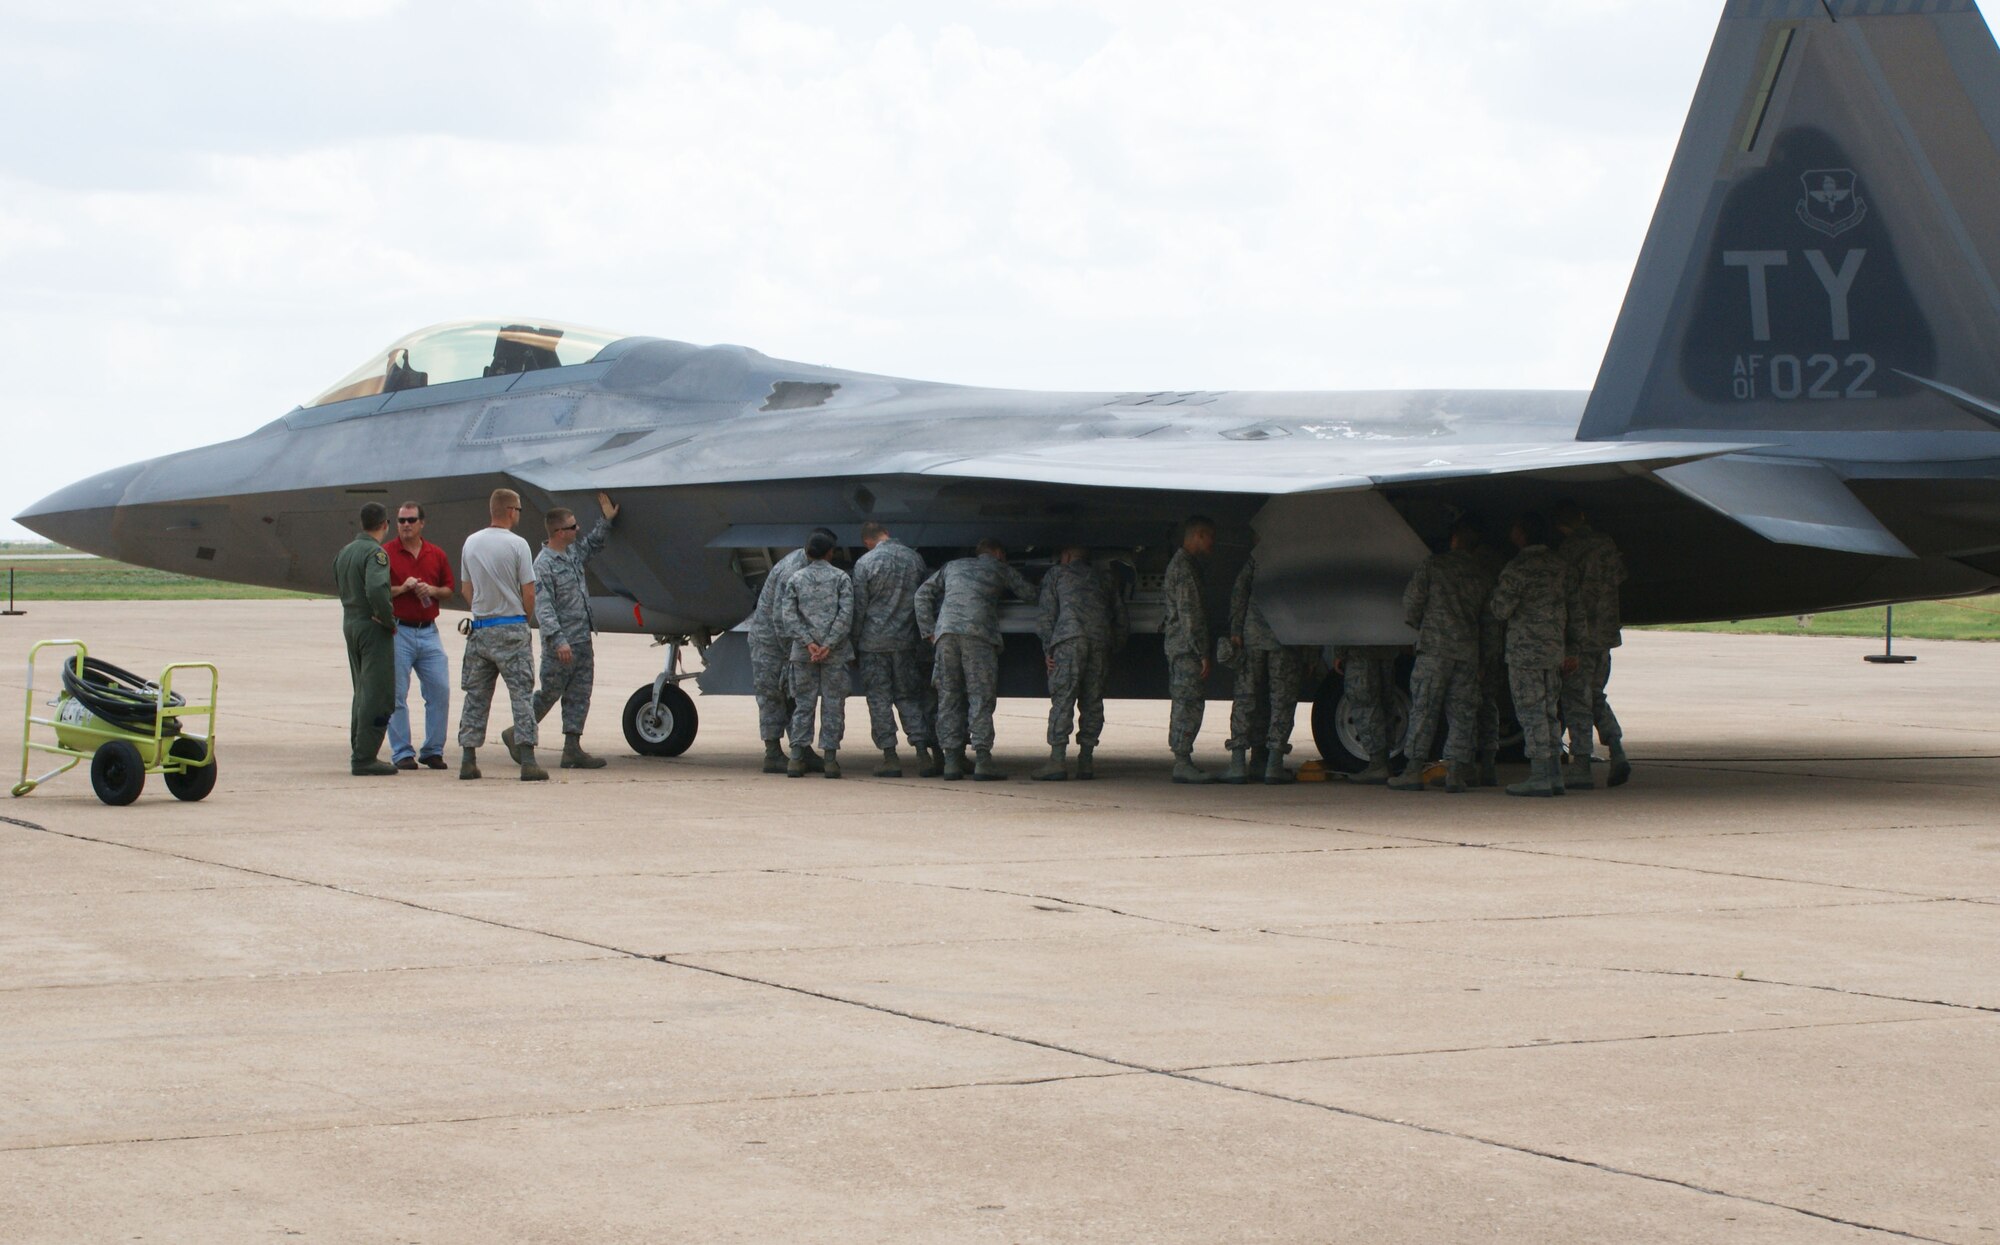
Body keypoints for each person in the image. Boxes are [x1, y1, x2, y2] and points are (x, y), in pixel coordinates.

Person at [503, 492, 620, 770]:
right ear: (557, 532)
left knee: (580, 694)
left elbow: (591, 545)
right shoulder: (543, 565)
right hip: (562, 644)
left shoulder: (570, 554)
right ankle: (516, 734)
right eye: (572, 527)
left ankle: (572, 748)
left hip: (581, 638)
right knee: (549, 693)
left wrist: (606, 520)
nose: (576, 530)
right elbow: (544, 609)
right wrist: (558, 640)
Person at [914, 538, 1035, 780]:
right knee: (980, 697)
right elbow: (1030, 594)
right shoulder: (1000, 568)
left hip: (946, 635)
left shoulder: (953, 566)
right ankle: (982, 761)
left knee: (948, 697)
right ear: (999, 553)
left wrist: (929, 631)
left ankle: (951, 762)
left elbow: (921, 595)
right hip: (978, 636)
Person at [1390, 519, 1493, 794]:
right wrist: (1484, 659)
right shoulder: (1482, 575)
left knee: (1425, 709)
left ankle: (1413, 770)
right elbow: (1489, 622)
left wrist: (1421, 628)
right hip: (1467, 653)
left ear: (1454, 539)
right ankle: (1456, 772)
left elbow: (1412, 603)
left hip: (1435, 650)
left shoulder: (1435, 566)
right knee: (1462, 713)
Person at [457, 488, 545, 781]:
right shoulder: (518, 545)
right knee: (521, 695)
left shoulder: (470, 543)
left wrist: (483, 611)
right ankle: (528, 760)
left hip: (481, 629)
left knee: (476, 697)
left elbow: (466, 589)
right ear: (510, 511)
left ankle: (468, 759)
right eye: (518, 510)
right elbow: (529, 590)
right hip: (512, 628)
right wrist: (523, 619)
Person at [1490, 511, 1576, 798]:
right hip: (1553, 649)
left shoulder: (1519, 567)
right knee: (1549, 712)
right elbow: (1575, 607)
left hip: (1525, 652)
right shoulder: (1559, 565)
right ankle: (1554, 775)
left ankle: (1540, 775)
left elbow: (1501, 610)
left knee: (1531, 712)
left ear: (1523, 533)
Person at [1553, 500, 1632, 788]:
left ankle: (1582, 765)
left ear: (1561, 526)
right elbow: (1619, 577)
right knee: (1596, 694)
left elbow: (1569, 595)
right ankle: (1616, 748)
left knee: (1576, 699)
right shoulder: (1606, 545)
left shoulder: (1569, 551)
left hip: (1582, 637)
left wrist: (1569, 642)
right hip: (1605, 636)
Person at [1034, 543, 1128, 781]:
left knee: (1063, 699)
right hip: (1099, 641)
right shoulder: (1104, 577)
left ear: (1065, 556)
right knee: (1092, 701)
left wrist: (1049, 649)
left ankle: (1057, 760)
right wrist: (1113, 645)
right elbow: (1121, 617)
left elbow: (1046, 616)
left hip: (1069, 640)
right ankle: (1086, 761)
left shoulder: (1057, 573)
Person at [850, 521, 938, 777]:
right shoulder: (915, 559)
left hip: (873, 644)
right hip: (906, 642)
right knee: (908, 697)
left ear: (867, 541)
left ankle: (890, 756)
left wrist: (853, 645)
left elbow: (859, 609)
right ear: (887, 534)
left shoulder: (865, 563)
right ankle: (922, 752)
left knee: (879, 699)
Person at [748, 529, 836, 774]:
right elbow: (780, 617)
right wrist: (795, 651)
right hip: (771, 643)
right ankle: (772, 753)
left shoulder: (806, 566)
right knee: (772, 695)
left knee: (794, 697)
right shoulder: (792, 570)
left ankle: (802, 748)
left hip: (789, 641)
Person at [384, 501, 455, 771]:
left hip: (429, 632)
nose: (406, 525)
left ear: (422, 523)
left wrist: (432, 591)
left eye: (411, 520)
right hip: (399, 630)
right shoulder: (386, 553)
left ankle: (433, 750)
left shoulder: (435, 554)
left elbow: (449, 589)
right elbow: (378, 589)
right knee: (396, 694)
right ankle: (402, 752)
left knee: (440, 690)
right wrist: (402, 588)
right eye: (401, 521)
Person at [779, 531, 855, 778]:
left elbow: (788, 616)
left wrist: (808, 643)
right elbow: (846, 616)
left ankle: (797, 758)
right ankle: (831, 760)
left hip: (803, 654)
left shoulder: (795, 579)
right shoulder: (841, 578)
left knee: (803, 704)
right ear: (830, 552)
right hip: (835, 653)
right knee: (833, 705)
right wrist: (829, 644)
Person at [1224, 546, 1303, 785]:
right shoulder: (1294, 559)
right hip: (1285, 637)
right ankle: (1274, 765)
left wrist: (1236, 630)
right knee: (1281, 699)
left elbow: (1239, 593)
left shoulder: (1255, 559)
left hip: (1253, 636)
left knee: (1246, 696)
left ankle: (1238, 764)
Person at [334, 503, 399, 777]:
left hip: (350, 621)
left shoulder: (345, 552)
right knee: (378, 693)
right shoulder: (376, 553)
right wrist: (387, 618)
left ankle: (359, 748)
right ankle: (364, 756)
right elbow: (375, 587)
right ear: (385, 524)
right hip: (372, 627)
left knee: (361, 690)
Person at [1163, 516, 1218, 784]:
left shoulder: (1185, 564)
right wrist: (1202, 652)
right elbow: (1189, 613)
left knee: (1187, 702)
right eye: (1210, 537)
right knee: (1188, 704)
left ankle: (1183, 759)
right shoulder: (1184, 568)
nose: (1213, 544)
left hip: (1182, 647)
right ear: (1198, 535)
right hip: (1187, 649)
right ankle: (1182, 761)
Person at [1334, 645, 1401, 783]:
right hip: (1385, 648)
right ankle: (1384, 762)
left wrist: (1340, 652)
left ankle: (1378, 764)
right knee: (1384, 703)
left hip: (1360, 650)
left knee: (1364, 705)